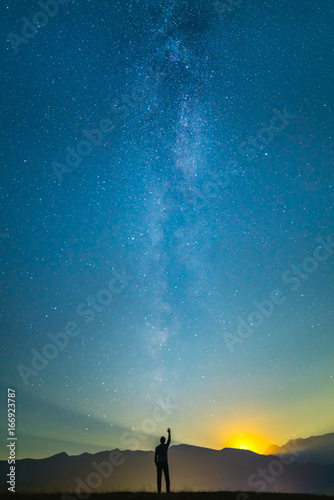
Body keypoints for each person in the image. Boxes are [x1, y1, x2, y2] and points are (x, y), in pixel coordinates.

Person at [154, 427, 171, 493]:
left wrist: (156, 463)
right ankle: (168, 490)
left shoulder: (157, 447)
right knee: (166, 477)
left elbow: (155, 457)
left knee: (159, 478)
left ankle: (159, 491)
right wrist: (169, 433)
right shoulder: (165, 447)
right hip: (165, 462)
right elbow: (169, 441)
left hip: (159, 463)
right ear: (164, 441)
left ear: (160, 441)